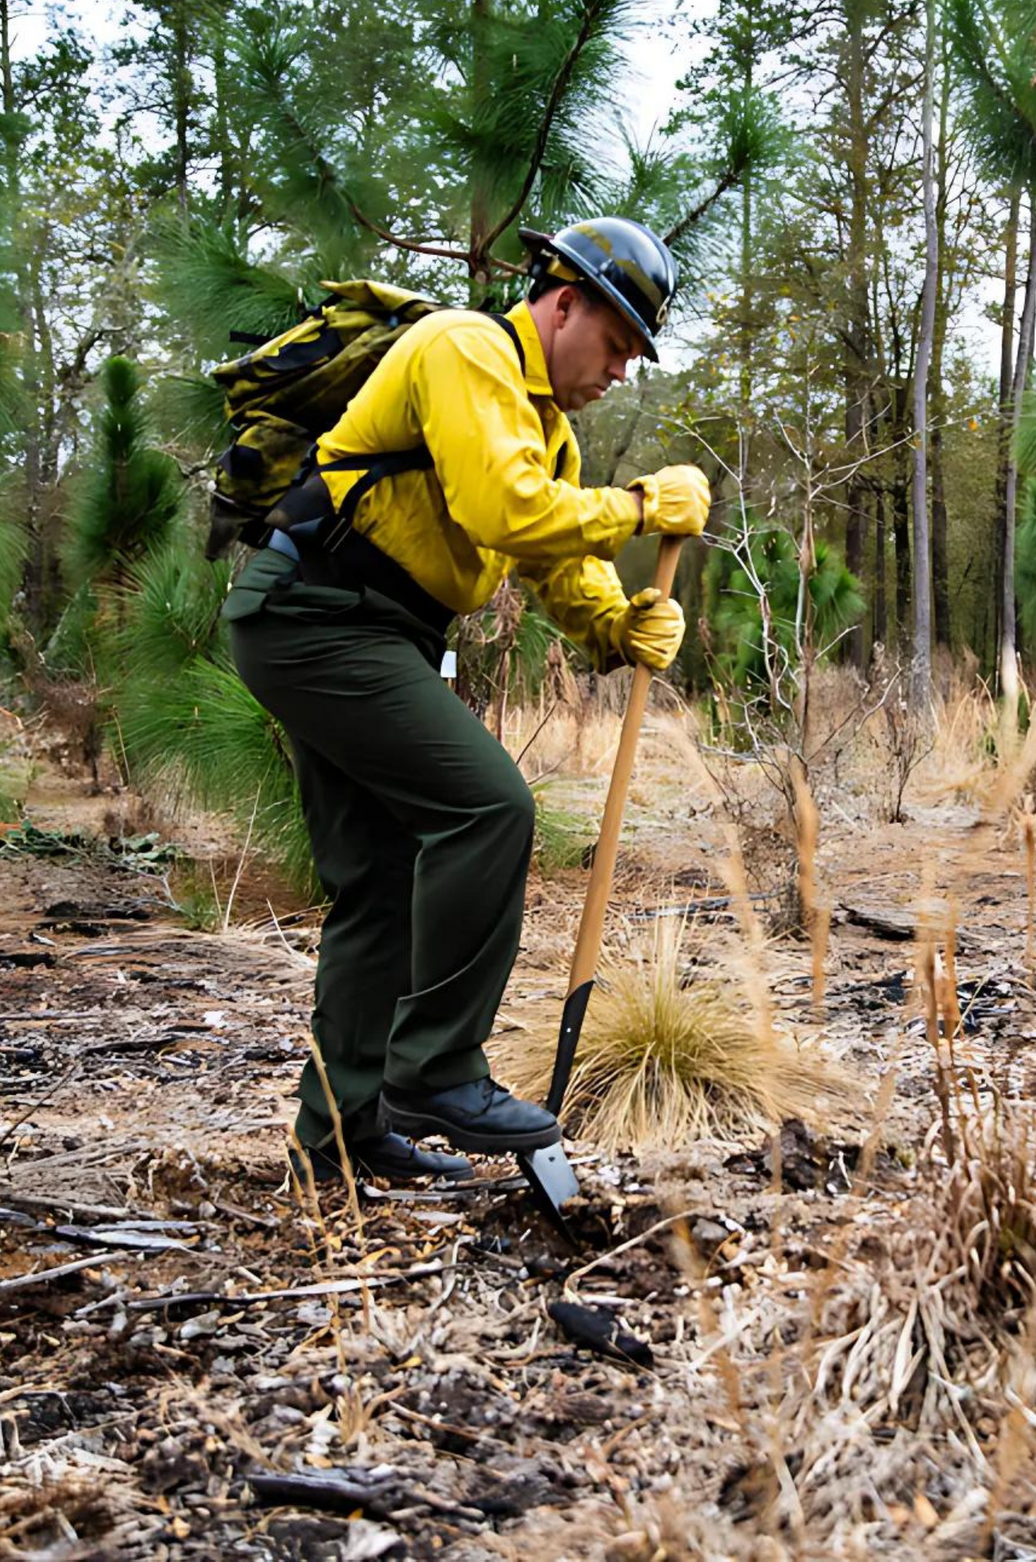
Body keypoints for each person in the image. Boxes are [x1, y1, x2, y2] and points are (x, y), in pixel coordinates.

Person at [225, 217, 710, 1185]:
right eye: (614, 345)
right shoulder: (467, 349)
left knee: (375, 880)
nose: (619, 370)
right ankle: (435, 1068)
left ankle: (339, 1139)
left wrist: (617, 628)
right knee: (490, 807)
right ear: (562, 302)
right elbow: (505, 509)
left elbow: (551, 562)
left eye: (631, 358)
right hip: (316, 613)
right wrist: (642, 508)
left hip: (374, 630)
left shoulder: (549, 434)